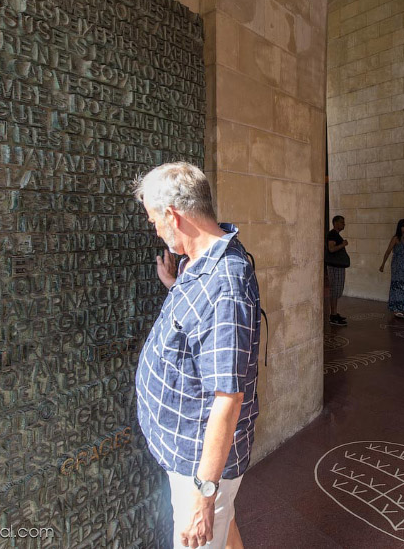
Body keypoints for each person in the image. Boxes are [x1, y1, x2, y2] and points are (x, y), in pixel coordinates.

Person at [134, 162, 261, 548]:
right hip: (189, 452)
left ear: (174, 215)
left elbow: (228, 397)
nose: (155, 228)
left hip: (199, 465)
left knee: (208, 531)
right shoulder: (201, 258)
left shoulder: (224, 285)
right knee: (226, 529)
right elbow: (204, 324)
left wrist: (204, 496)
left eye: (155, 219)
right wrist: (176, 286)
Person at [379, 219, 404, 318]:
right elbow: (388, 251)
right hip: (397, 265)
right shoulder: (395, 238)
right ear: (399, 227)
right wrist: (383, 264)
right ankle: (396, 309)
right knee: (397, 285)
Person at [326, 215, 350, 326]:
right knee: (335, 290)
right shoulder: (332, 234)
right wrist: (343, 244)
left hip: (337, 266)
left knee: (336, 290)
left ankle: (334, 314)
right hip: (335, 266)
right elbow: (331, 249)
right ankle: (333, 316)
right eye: (341, 222)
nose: (343, 224)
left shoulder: (335, 234)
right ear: (335, 223)